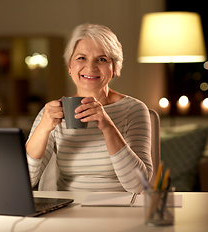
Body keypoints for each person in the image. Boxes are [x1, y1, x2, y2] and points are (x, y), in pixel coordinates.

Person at [26, 23, 153, 193]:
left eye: (102, 59)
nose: (91, 67)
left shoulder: (133, 110)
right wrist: (43, 128)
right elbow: (24, 181)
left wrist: (107, 126)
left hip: (120, 210)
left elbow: (138, 186)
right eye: (81, 58)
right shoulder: (52, 112)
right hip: (69, 210)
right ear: (70, 66)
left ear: (114, 68)